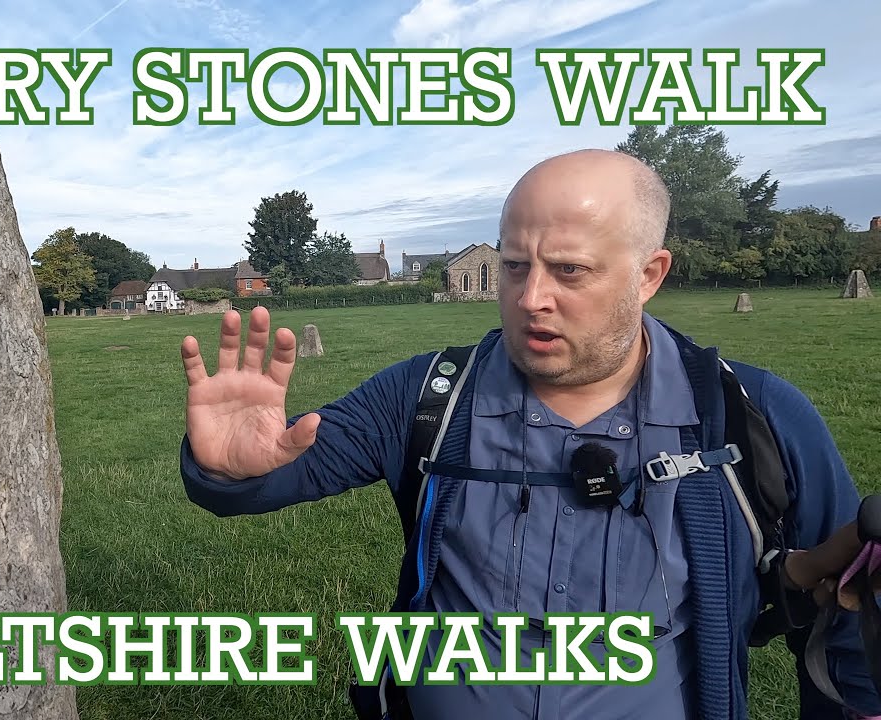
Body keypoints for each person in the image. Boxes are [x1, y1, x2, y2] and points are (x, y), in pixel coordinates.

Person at [177, 149, 881, 719]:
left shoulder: (753, 414)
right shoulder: (427, 399)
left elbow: (843, 611)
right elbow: (269, 478)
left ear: (649, 275)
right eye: (514, 266)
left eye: (569, 270)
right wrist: (234, 469)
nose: (530, 297)